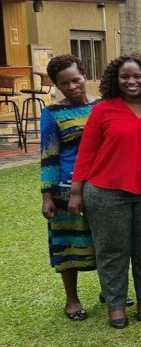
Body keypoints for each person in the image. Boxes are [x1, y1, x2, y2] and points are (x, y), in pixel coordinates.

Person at [69, 54, 141, 329]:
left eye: (137, 76)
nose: (131, 81)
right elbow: (87, 152)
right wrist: (76, 191)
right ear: (116, 79)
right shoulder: (103, 110)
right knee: (112, 251)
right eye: (125, 76)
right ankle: (115, 305)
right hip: (106, 192)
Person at [40, 54, 101, 321]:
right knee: (67, 244)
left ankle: (111, 291)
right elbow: (49, 155)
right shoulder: (52, 113)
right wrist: (47, 195)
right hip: (66, 188)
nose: (73, 86)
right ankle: (72, 300)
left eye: (76, 79)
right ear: (57, 85)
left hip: (102, 187)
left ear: (84, 76)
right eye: (64, 84)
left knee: (106, 243)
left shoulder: (103, 106)